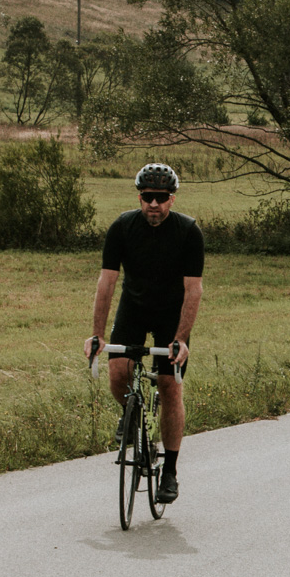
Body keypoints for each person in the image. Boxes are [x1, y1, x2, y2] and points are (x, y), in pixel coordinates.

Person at [87, 162, 203, 505]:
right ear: (140, 197)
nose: (154, 204)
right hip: (134, 306)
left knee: (169, 386)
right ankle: (132, 416)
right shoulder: (123, 227)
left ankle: (170, 471)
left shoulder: (188, 232)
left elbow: (193, 290)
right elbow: (107, 282)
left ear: (172, 198)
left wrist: (181, 338)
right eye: (148, 197)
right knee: (117, 372)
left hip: (172, 313)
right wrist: (96, 335)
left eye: (161, 197)